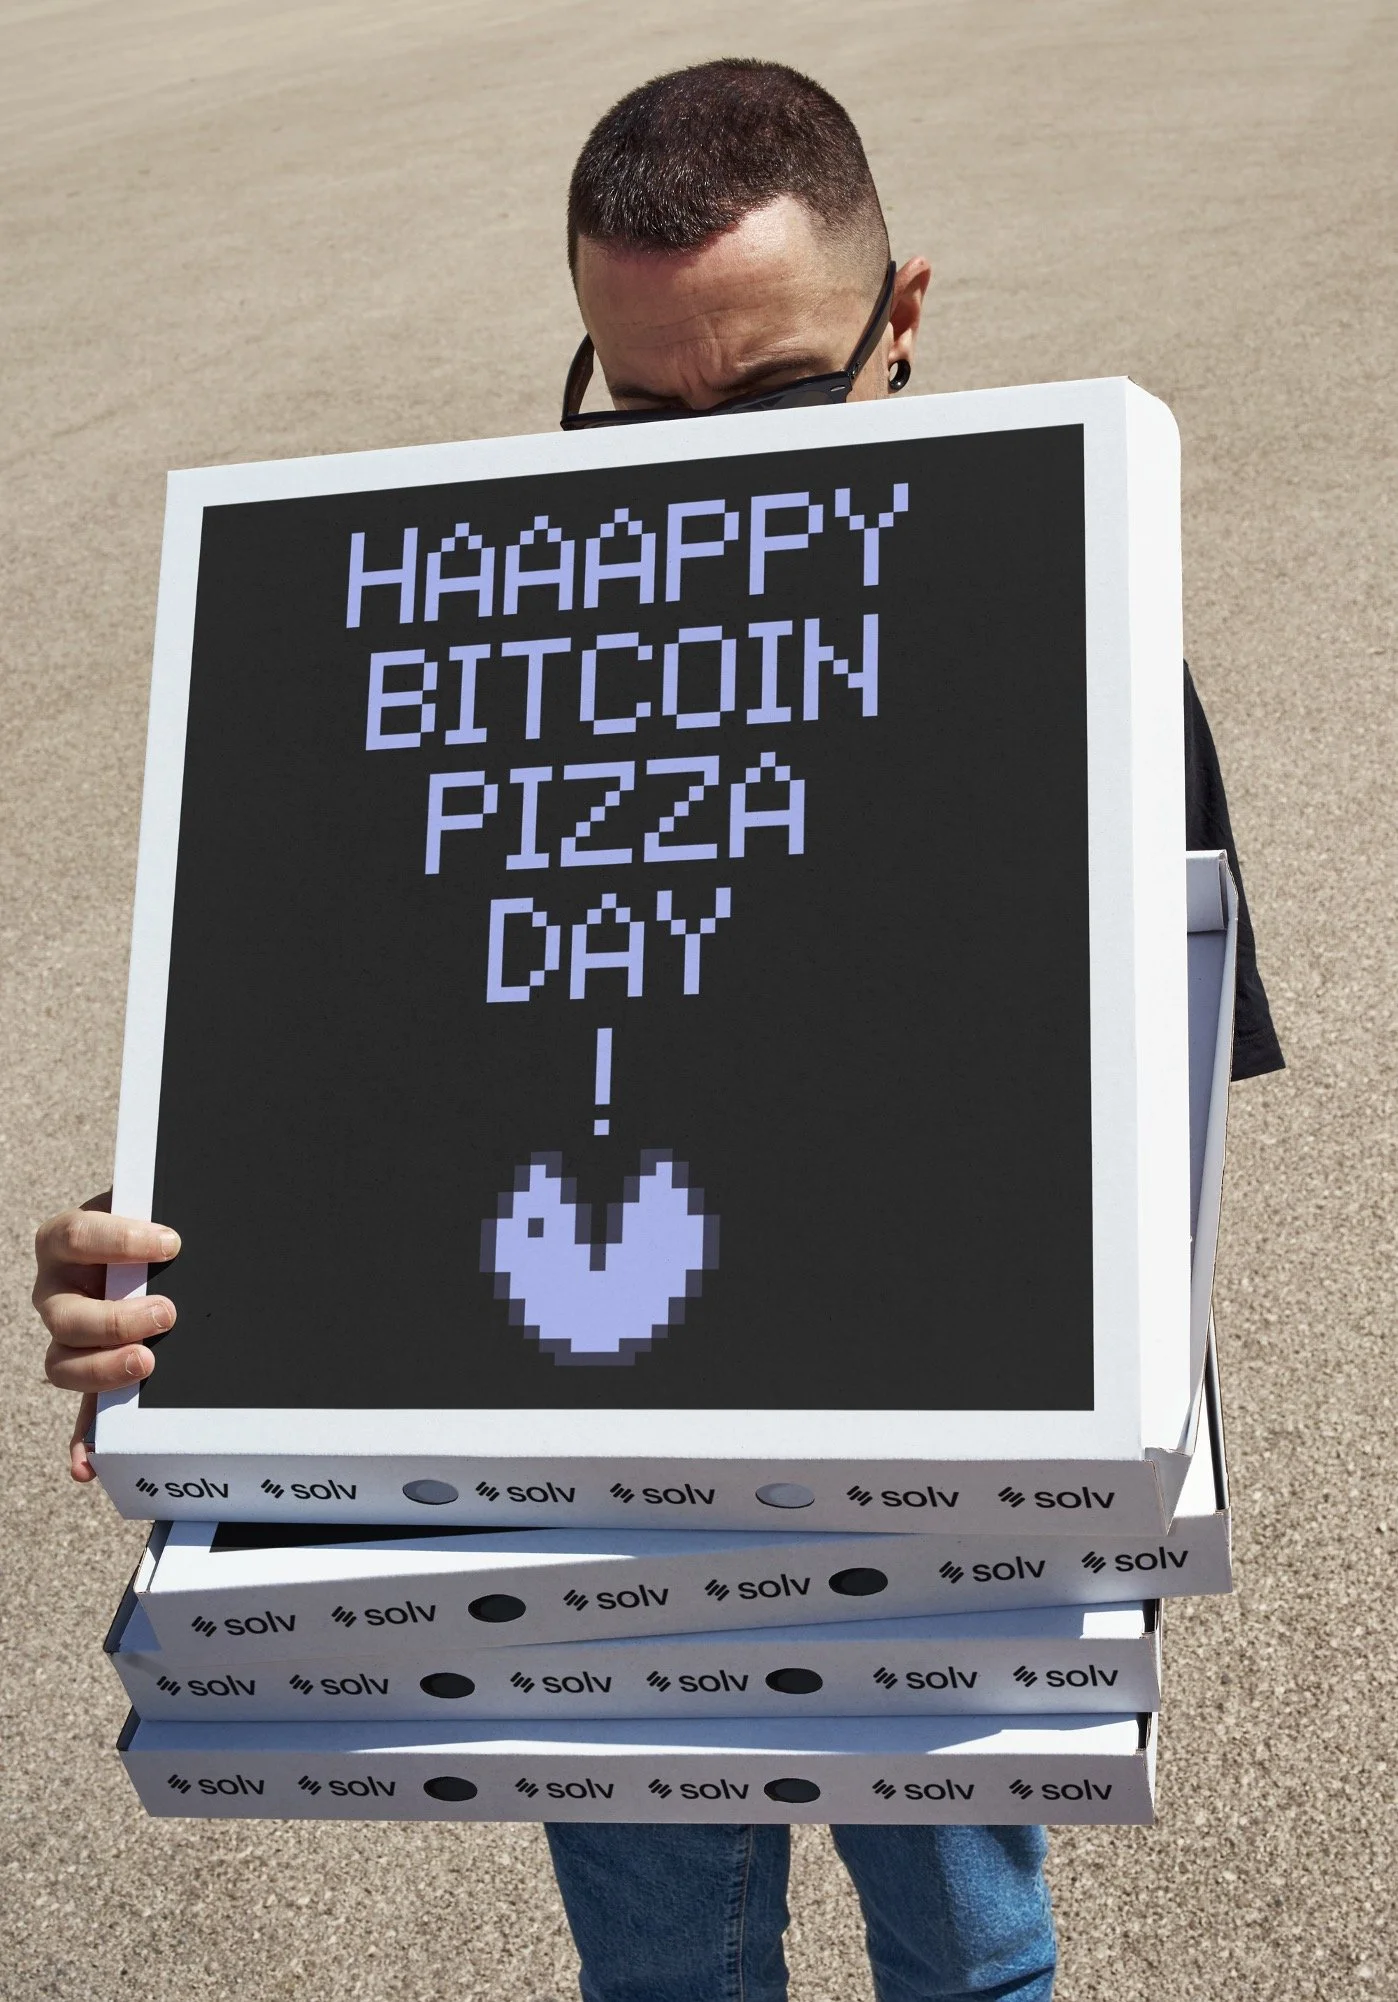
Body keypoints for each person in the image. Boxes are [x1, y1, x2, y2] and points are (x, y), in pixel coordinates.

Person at [31, 57, 1283, 2002]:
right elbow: (359, 1037)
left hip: (930, 1493)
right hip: (576, 1522)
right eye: (639, 411)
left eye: (772, 398)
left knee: (969, 1948)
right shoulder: (475, 651)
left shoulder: (1081, 640)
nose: (711, 470)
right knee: (665, 1967)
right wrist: (198, 1261)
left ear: (903, 319)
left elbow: (1140, 1124)